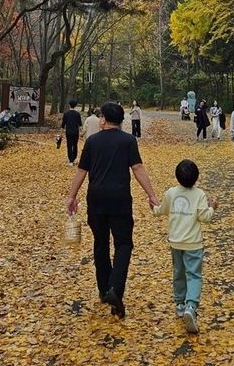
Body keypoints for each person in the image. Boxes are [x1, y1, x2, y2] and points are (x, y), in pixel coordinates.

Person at [66, 102, 159, 319]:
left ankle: (103, 288)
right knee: (124, 243)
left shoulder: (92, 141)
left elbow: (81, 171)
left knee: (100, 243)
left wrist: (71, 196)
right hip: (119, 200)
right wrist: (151, 195)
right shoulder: (128, 141)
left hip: (96, 199)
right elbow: (137, 168)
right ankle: (115, 289)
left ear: (104, 120)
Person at [153, 159, 217, 334]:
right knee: (194, 274)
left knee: (178, 272)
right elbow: (205, 217)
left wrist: (154, 209)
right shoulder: (199, 195)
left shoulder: (171, 193)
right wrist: (212, 207)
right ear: (196, 178)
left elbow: (162, 209)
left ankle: (180, 303)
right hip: (193, 243)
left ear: (177, 176)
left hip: (175, 241)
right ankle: (191, 306)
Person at [61, 99, 83, 166]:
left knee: (69, 145)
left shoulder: (66, 114)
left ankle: (70, 160)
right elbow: (80, 124)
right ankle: (74, 158)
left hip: (68, 132)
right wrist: (81, 132)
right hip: (75, 132)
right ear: (75, 105)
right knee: (75, 145)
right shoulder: (77, 114)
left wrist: (61, 133)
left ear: (69, 105)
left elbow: (63, 124)